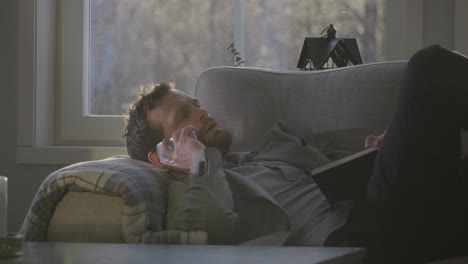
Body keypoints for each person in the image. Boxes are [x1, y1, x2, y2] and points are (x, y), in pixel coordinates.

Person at [123, 45, 468, 264]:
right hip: (368, 236)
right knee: (429, 67)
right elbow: (211, 234)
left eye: (195, 105)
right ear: (161, 155)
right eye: (183, 116)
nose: (201, 113)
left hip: (388, 204)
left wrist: (379, 153)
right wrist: (199, 163)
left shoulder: (261, 154)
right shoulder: (190, 194)